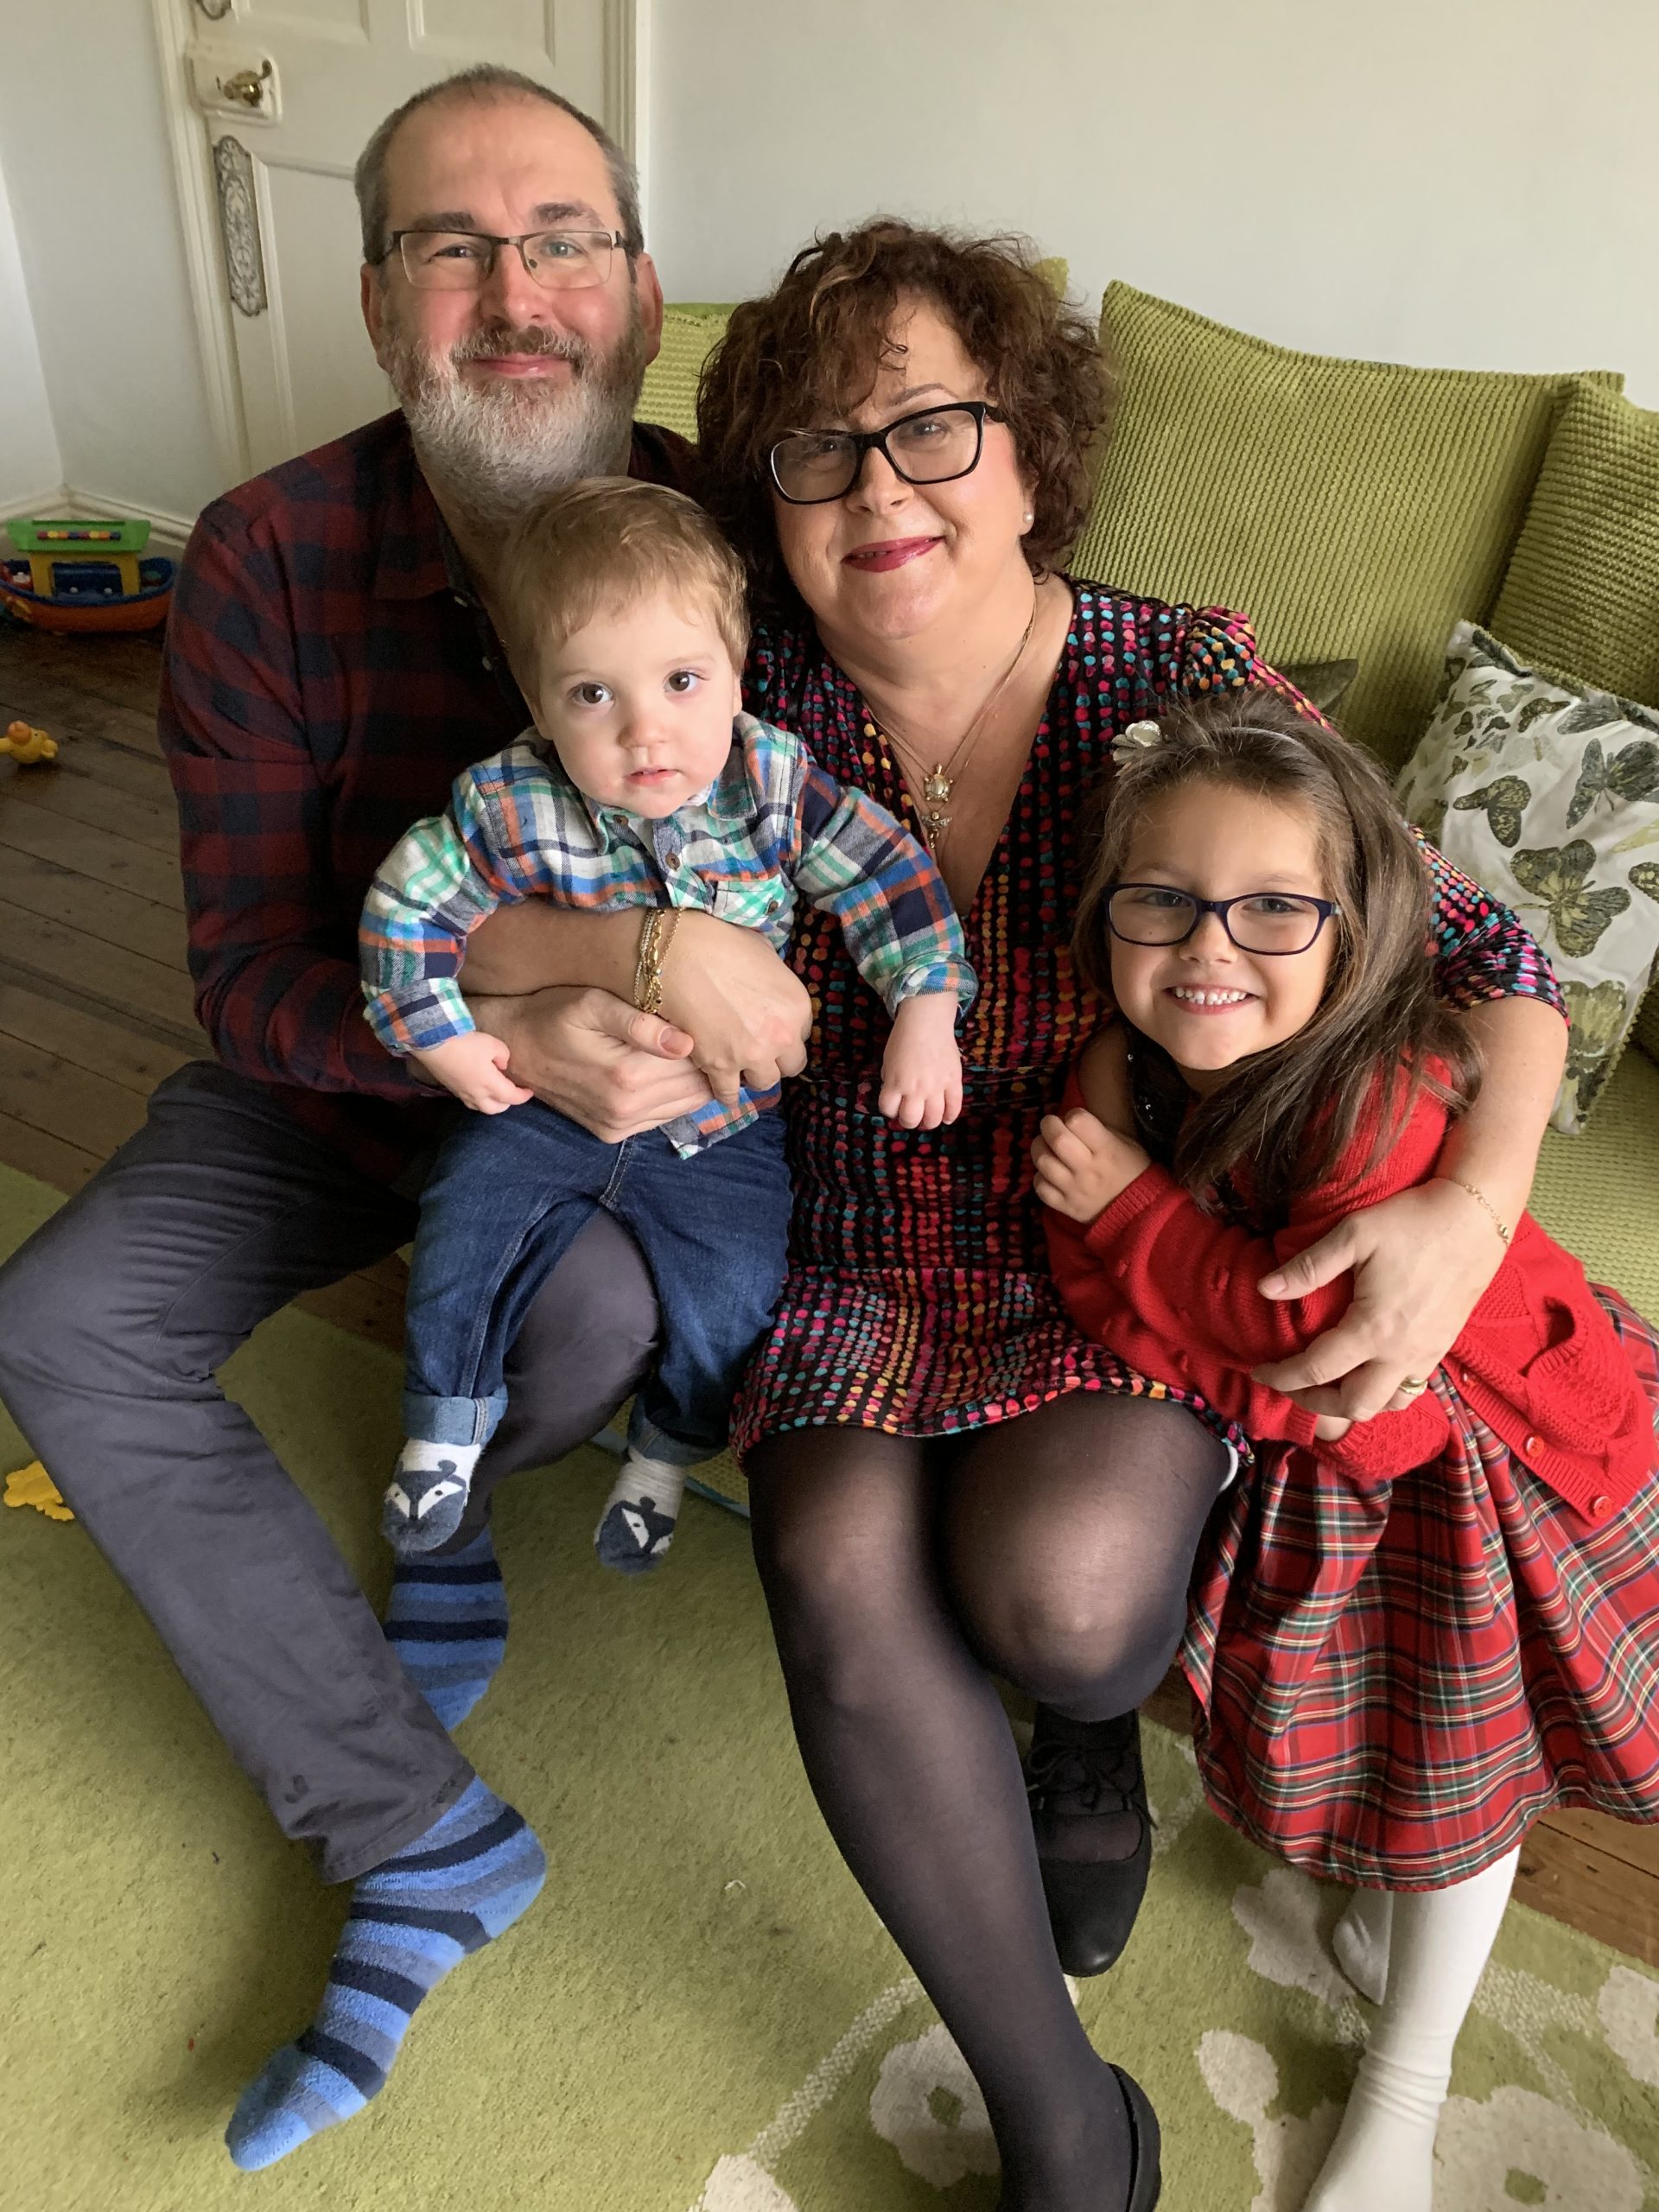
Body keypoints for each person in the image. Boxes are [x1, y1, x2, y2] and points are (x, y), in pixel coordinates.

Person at [449, 219, 1569, 2212]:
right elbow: (469, 897)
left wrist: (1472, 1207)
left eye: (930, 427)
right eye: (817, 449)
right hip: (848, 1251)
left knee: (1064, 1594)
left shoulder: (1171, 676)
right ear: (772, 510)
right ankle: (1069, 2121)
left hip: (1113, 1246)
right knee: (836, 1580)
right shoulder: (731, 701)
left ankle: (1080, 1728)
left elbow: (1491, 950)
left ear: (1033, 451)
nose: (877, 487)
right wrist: (639, 943)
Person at [0, 65, 777, 2171]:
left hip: (637, 1142)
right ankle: (417, 1837)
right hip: (342, 1087)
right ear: (375, 303)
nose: (513, 293)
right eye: (452, 246)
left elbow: (830, 867)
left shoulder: (737, 542)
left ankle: (467, 1493)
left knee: (588, 1318)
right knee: (61, 1317)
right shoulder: (262, 556)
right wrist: (529, 1005)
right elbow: (247, 975)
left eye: (562, 242)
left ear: (641, 294)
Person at [1036, 690, 1659, 2212]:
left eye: (1272, 910)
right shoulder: (1121, 1070)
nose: (1209, 947)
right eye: (1161, 899)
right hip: (1338, 1479)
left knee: (1463, 1775)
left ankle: (1408, 2083)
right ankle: (1390, 1922)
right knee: (1398, 1765)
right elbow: (1122, 1310)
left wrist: (1139, 1222)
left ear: (1355, 937)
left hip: (1480, 1478)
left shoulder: (1370, 1100)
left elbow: (1325, 1380)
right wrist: (1186, 1314)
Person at [361, 475, 973, 1568]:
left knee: (735, 1292)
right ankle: (442, 1430)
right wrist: (436, 1032)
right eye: (592, 693)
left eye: (683, 681)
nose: (646, 731)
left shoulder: (770, 782)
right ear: (538, 699)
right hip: (544, 1101)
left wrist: (925, 1006)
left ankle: (659, 1460)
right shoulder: (507, 802)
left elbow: (886, 873)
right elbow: (410, 903)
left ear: (736, 673)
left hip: (721, 1122)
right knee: (464, 1229)